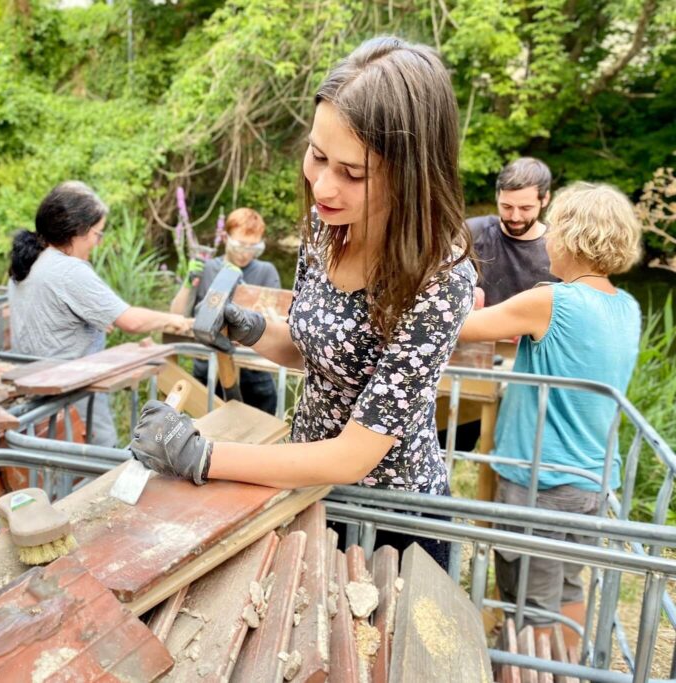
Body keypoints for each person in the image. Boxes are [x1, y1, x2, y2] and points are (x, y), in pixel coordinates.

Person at [129, 37, 477, 568]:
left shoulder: (441, 275)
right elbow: (311, 351)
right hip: (304, 488)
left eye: (351, 172)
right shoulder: (325, 226)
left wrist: (200, 454)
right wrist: (249, 330)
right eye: (317, 155)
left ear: (411, 173)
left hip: (392, 517)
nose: (322, 184)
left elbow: (354, 454)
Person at [458, 182, 642, 646]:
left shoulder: (551, 300)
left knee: (528, 604)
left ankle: (527, 671)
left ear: (570, 238)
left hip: (539, 479)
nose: (547, 241)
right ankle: (567, 670)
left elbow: (460, 329)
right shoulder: (627, 307)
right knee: (567, 588)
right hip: (593, 479)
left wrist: (467, 298)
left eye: (554, 230)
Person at [8, 181, 192, 447]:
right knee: (95, 461)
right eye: (98, 233)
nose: (97, 242)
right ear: (78, 231)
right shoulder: (69, 269)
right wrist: (174, 319)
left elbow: (48, 314)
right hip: (73, 389)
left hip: (33, 383)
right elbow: (131, 321)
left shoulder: (29, 260)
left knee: (50, 460)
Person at [169, 208, 281, 414]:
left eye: (253, 248)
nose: (245, 253)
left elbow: (276, 323)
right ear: (225, 237)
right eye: (239, 246)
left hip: (255, 375)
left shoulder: (266, 271)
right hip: (208, 372)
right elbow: (176, 316)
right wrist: (188, 283)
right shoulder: (208, 268)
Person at [468, 157, 560, 306]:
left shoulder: (560, 248)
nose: (515, 217)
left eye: (525, 208)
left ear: (545, 199)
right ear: (497, 196)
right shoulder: (471, 234)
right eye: (507, 207)